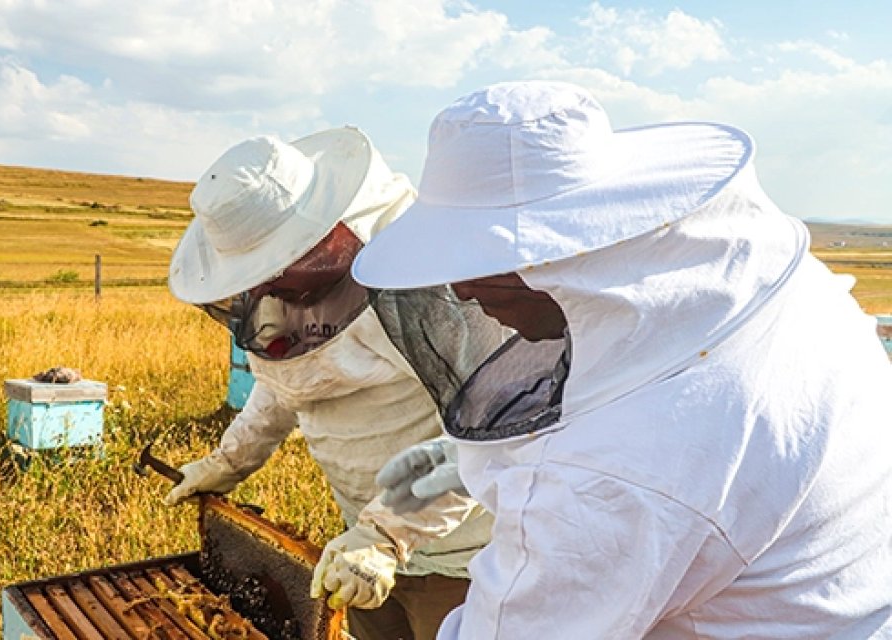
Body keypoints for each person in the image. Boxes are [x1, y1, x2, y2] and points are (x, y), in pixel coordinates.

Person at [352, 80, 892, 638]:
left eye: (485, 260)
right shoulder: (773, 291)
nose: (462, 290)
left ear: (567, 255)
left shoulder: (606, 480)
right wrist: (486, 460)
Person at [164, 127, 507, 640]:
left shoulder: (428, 285)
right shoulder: (282, 297)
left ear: (326, 237)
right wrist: (229, 461)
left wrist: (386, 533)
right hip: (357, 550)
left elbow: (488, 427)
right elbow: (285, 383)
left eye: (278, 269)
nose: (271, 291)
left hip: (461, 556)